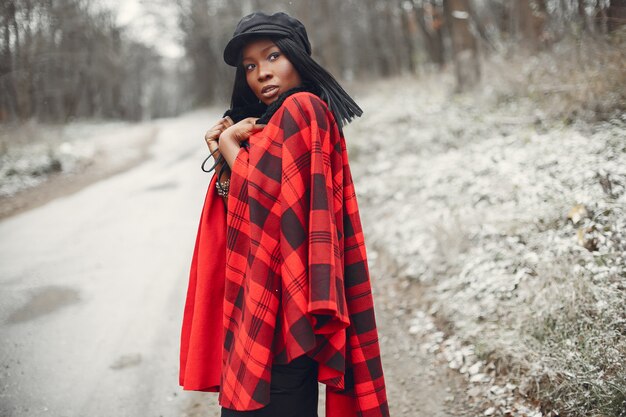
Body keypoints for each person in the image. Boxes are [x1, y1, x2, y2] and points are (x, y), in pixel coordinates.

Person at [179, 11, 390, 417]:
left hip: (282, 310)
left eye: (274, 56)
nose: (262, 73)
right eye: (251, 66)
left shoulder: (303, 110)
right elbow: (248, 207)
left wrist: (227, 146)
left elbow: (262, 201)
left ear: (298, 56)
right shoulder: (271, 124)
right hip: (268, 301)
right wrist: (225, 157)